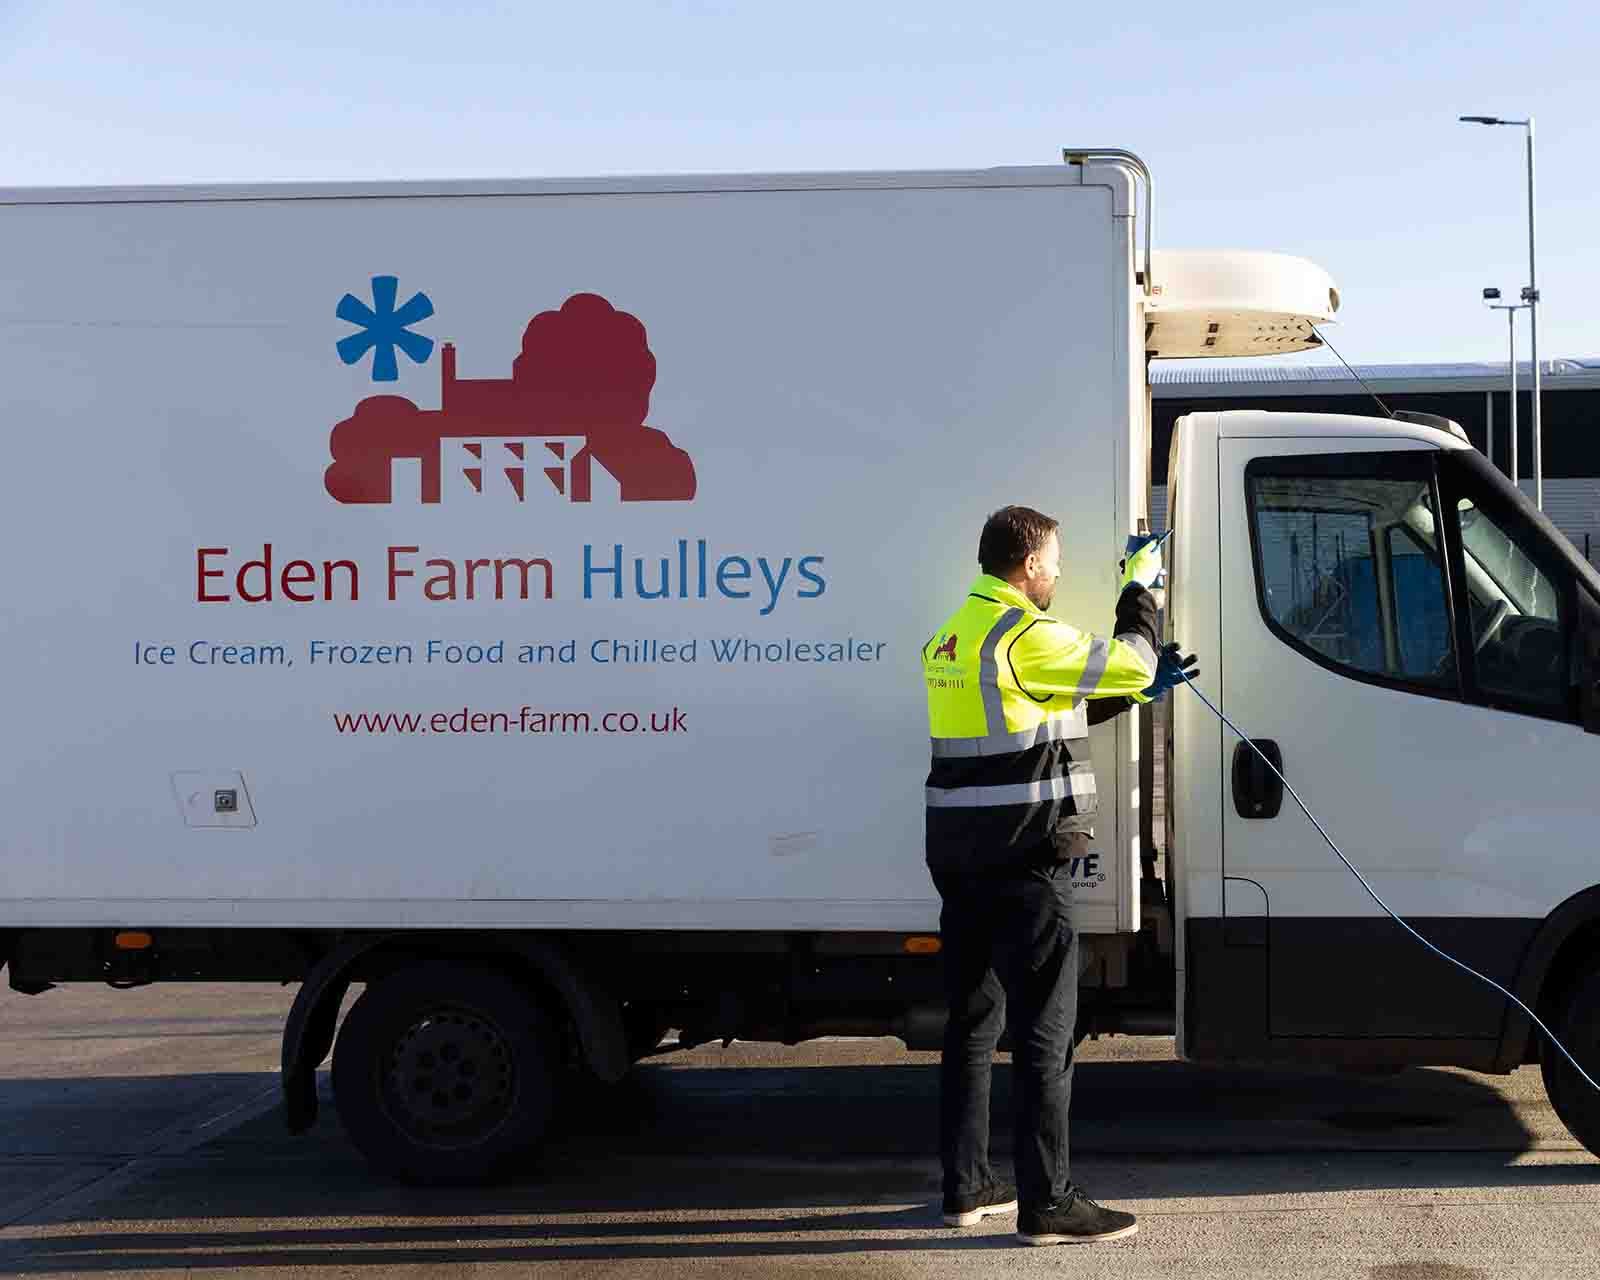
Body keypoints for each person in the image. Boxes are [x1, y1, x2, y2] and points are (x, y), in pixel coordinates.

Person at [921, 505, 1197, 1246]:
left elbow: (1035, 720)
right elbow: (1131, 656)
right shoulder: (1024, 633)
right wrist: (1142, 588)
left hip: (960, 856)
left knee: (973, 1026)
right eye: (1055, 563)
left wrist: (1129, 693)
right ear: (1029, 565)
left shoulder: (956, 634)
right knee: (1046, 1030)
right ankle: (1050, 1203)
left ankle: (966, 1187)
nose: (1058, 574)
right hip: (1021, 862)